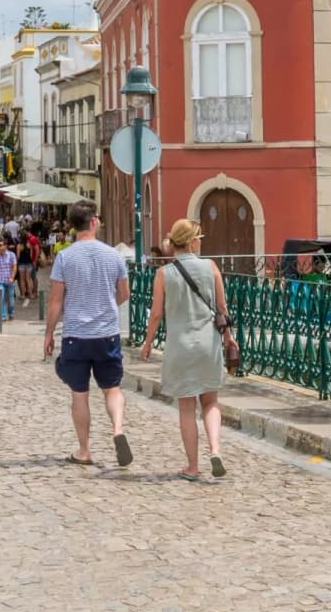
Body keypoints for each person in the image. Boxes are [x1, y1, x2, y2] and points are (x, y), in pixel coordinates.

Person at [140, 219, 232, 480]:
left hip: (179, 345)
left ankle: (193, 466)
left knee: (186, 408)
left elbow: (156, 314)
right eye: (199, 237)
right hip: (208, 343)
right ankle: (215, 449)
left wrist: (148, 343)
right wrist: (229, 338)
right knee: (211, 401)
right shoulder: (210, 267)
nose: (201, 241)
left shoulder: (163, 274)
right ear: (192, 241)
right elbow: (223, 309)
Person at [45, 200, 134, 467]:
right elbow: (124, 293)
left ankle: (84, 450)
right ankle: (117, 429)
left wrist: (49, 333)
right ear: (94, 222)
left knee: (79, 394)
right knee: (113, 388)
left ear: (72, 226)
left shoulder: (64, 257)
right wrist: (105, 306)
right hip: (107, 333)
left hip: (76, 334)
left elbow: (56, 300)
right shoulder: (114, 255)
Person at [0, 239, 19, 322]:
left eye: (1, 245)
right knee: (1, 299)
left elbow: (14, 266)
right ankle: (3, 315)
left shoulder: (11, 255)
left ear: (5, 246)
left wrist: (12, 277)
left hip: (9, 280)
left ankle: (11, 312)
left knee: (11, 300)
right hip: (0, 280)